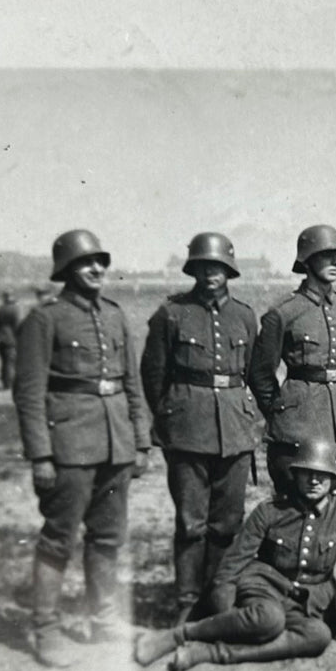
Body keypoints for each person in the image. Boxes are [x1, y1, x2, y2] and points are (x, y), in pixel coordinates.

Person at [12, 229, 153, 668]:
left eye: (101, 262)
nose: (96, 269)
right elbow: (29, 393)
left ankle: (103, 619)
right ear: (66, 270)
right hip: (68, 446)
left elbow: (132, 384)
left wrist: (141, 441)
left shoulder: (114, 315)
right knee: (58, 539)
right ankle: (46, 629)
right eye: (86, 263)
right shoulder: (45, 319)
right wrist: (41, 455)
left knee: (109, 535)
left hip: (116, 445)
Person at [132, 438, 336, 671]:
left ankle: (210, 654)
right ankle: (179, 635)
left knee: (318, 636)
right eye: (307, 472)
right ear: (295, 474)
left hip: (309, 602)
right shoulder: (271, 510)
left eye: (323, 474)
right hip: (264, 587)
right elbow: (234, 562)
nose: (314, 480)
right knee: (269, 619)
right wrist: (225, 609)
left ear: (333, 478)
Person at [141, 232, 259, 623]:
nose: (212, 274)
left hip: (235, 429)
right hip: (187, 430)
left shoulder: (244, 316)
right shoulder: (171, 314)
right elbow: (153, 375)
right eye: (205, 266)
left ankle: (217, 598)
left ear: (230, 270)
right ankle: (187, 602)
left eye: (219, 267)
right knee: (191, 523)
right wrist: (173, 417)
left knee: (227, 523)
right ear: (194, 269)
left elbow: (251, 372)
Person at [248, 224, 336, 493]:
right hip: (299, 425)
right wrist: (282, 413)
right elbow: (261, 373)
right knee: (294, 504)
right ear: (308, 261)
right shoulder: (284, 312)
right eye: (327, 255)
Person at [0, 291, 25, 390]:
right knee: (10, 362)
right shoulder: (15, 310)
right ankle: (9, 383)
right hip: (11, 339)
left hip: (0, 339)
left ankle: (5, 381)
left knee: (4, 362)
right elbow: (17, 325)